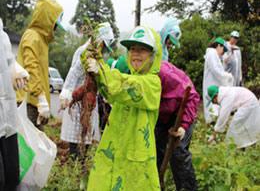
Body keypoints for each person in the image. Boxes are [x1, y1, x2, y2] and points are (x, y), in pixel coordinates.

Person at [86, 25, 163, 190]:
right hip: (114, 148)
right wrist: (96, 63)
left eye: (142, 49)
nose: (135, 53)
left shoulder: (152, 84)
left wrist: (103, 72)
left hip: (136, 159)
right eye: (132, 49)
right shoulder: (124, 79)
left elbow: (130, 87)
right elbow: (109, 91)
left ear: (154, 55)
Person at [59, 22, 114, 160]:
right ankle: (76, 166)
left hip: (89, 103)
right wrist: (66, 90)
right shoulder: (84, 51)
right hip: (79, 103)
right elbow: (75, 71)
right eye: (103, 45)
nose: (103, 49)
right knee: (77, 140)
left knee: (86, 138)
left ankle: (80, 164)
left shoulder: (96, 54)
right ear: (98, 40)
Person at [155, 19, 199, 191]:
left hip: (179, 112)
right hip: (161, 115)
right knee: (155, 152)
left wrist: (183, 126)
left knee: (177, 152)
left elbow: (192, 96)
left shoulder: (163, 73)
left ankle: (187, 188)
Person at [16, 0, 66, 131]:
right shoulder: (32, 36)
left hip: (34, 103)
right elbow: (30, 68)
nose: (55, 29)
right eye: (55, 24)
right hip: (28, 102)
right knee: (31, 148)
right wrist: (40, 97)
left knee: (37, 147)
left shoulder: (41, 40)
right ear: (47, 20)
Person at [0, 18, 29, 191]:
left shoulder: (1, 32)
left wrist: (15, 69)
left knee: (11, 174)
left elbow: (8, 56)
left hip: (7, 116)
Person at [203, 37, 234, 125]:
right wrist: (227, 76)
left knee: (214, 111)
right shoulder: (212, 53)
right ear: (219, 46)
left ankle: (213, 123)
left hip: (213, 85)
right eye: (223, 50)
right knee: (212, 111)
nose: (222, 53)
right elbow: (216, 70)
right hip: (211, 86)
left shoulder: (213, 54)